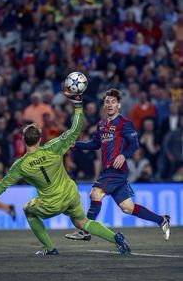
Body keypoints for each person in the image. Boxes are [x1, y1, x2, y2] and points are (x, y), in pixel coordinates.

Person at [0, 92, 131, 255]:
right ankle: (116, 238)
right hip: (70, 194)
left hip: (51, 204)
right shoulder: (54, 147)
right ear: (39, 138)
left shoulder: (20, 166)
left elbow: (1, 187)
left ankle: (49, 248)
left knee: (28, 209)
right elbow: (75, 128)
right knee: (82, 222)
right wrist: (78, 105)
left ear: (24, 140)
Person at [65, 88, 170, 242]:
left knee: (95, 193)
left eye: (113, 102)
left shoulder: (124, 123)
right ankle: (161, 219)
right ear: (103, 105)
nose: (110, 104)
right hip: (110, 171)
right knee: (127, 207)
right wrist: (76, 144)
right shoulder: (101, 124)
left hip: (116, 170)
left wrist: (123, 155)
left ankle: (84, 231)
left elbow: (134, 145)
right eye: (107, 102)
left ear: (119, 105)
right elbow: (94, 144)